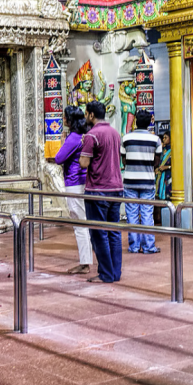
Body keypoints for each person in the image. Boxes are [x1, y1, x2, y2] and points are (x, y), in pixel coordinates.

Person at [78, 101, 123, 284]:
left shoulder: (92, 135)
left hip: (98, 189)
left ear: (90, 115)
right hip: (116, 188)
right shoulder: (115, 133)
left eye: (86, 114)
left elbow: (84, 163)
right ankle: (115, 272)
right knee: (114, 232)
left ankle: (105, 273)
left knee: (98, 233)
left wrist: (82, 148)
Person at [54, 106, 92, 275]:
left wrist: (63, 143)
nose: (63, 120)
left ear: (71, 120)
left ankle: (85, 263)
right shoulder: (83, 136)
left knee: (79, 223)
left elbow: (59, 158)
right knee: (82, 221)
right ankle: (86, 260)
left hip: (75, 182)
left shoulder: (74, 138)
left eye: (65, 117)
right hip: (83, 182)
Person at [121, 110, 163, 255]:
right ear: (150, 122)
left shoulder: (126, 138)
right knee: (147, 214)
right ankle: (148, 246)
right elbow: (156, 163)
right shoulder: (156, 140)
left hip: (130, 182)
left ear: (136, 122)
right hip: (147, 181)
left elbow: (124, 161)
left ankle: (134, 246)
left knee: (131, 214)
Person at [155, 132, 172, 207]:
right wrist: (156, 168)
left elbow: (176, 165)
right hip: (160, 176)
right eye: (163, 138)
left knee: (167, 198)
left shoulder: (173, 151)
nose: (164, 139)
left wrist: (167, 167)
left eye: (166, 137)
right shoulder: (162, 150)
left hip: (168, 177)